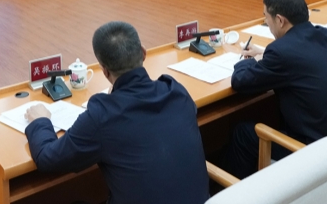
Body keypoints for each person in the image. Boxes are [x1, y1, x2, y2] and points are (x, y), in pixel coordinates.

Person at [24, 22, 209, 204]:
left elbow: (47, 159)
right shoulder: (176, 91)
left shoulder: (103, 116)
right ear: (143, 53)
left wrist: (40, 121)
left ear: (104, 71)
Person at [221, 0, 327, 179]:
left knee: (243, 133)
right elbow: (300, 58)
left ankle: (230, 189)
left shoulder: (281, 52)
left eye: (266, 17)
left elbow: (240, 81)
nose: (266, 22)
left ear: (280, 20)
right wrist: (264, 56)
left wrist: (243, 61)